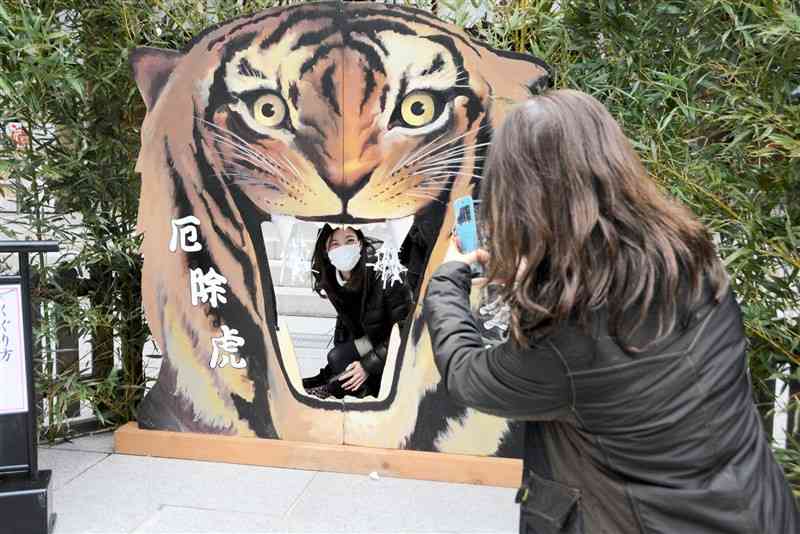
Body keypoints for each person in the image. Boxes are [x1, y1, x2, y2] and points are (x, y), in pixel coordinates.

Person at [423, 90, 799, 533]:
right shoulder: (690, 253)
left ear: (521, 199)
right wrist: (540, 275)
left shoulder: (566, 335)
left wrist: (447, 280)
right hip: (755, 507)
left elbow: (469, 378)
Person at [303, 224, 413, 399]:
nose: (343, 249)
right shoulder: (331, 275)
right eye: (335, 244)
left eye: (350, 241)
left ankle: (373, 389)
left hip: (392, 342)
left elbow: (406, 327)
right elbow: (347, 316)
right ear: (326, 249)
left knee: (340, 360)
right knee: (337, 359)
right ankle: (330, 382)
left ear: (360, 243)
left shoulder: (385, 271)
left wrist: (368, 365)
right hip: (370, 337)